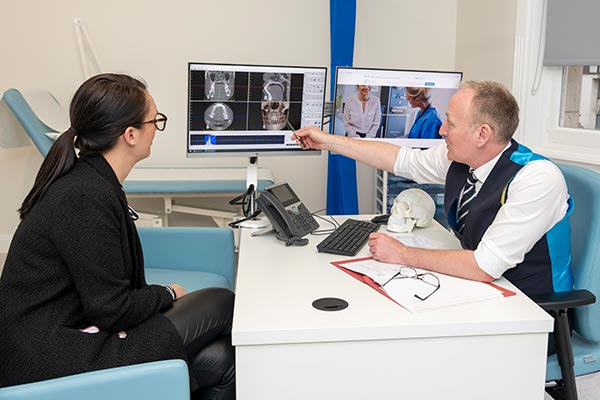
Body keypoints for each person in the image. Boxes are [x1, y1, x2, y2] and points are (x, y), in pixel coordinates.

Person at [0, 74, 235, 399]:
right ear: (130, 134)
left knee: (222, 360)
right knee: (222, 301)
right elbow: (111, 309)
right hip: (49, 353)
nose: (156, 129)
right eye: (156, 121)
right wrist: (168, 292)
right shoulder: (83, 196)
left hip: (67, 332)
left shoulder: (92, 182)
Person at [295, 80, 573, 302]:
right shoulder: (462, 160)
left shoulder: (537, 179)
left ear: (482, 135)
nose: (441, 130)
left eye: (450, 123)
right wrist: (328, 142)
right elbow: (400, 160)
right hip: (484, 290)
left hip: (532, 310)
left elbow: (484, 266)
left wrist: (402, 254)